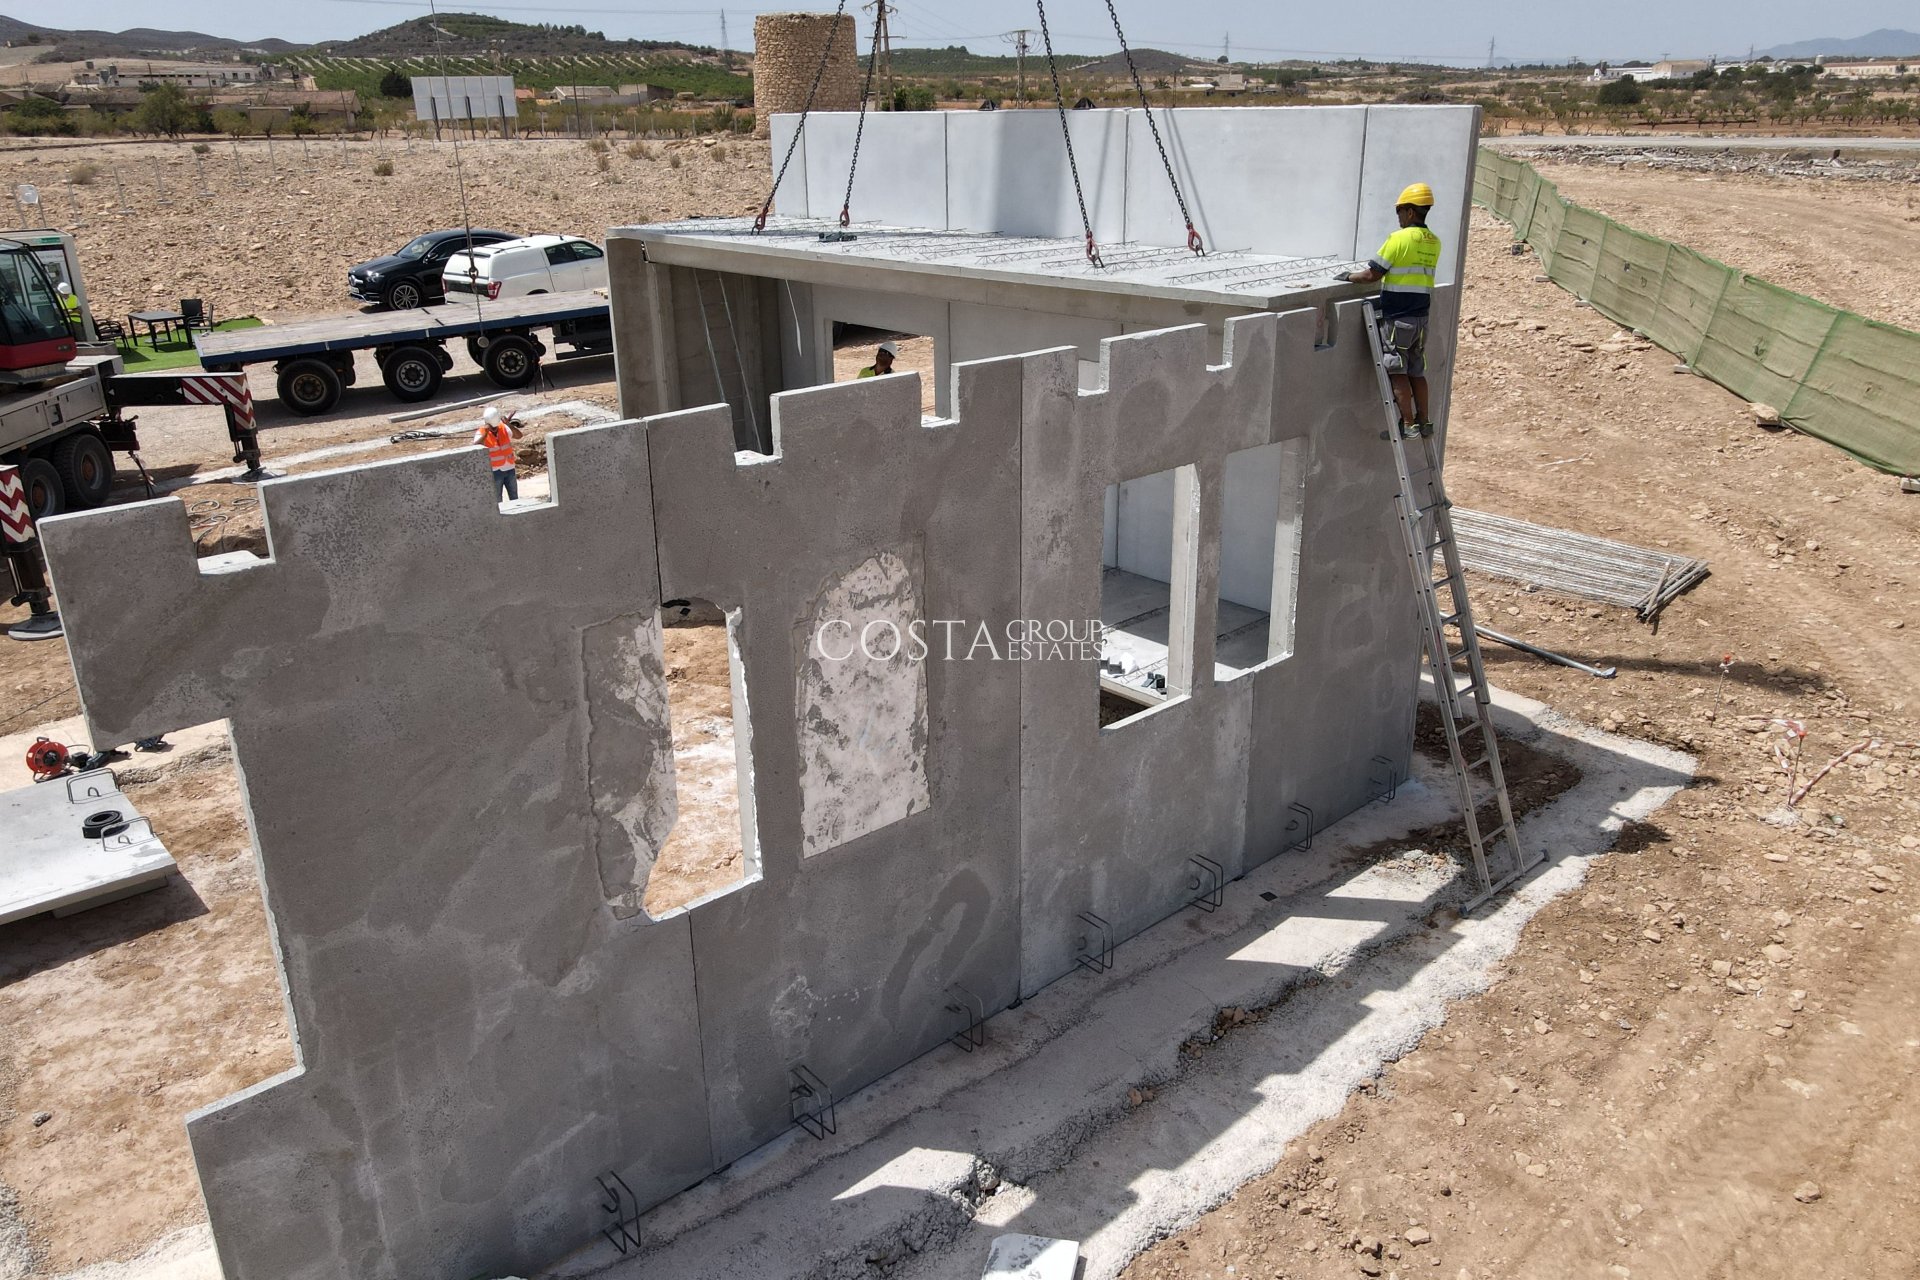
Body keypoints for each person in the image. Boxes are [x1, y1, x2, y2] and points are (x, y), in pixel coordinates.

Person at [1339, 182, 1442, 438]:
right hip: (1421, 318)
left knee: (1397, 369)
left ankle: (1408, 425)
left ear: (1409, 211)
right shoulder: (1433, 241)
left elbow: (1372, 274)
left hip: (1399, 319)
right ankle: (1425, 421)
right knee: (1417, 371)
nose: (1398, 217)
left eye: (1399, 211)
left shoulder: (1399, 238)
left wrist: (1347, 277)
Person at [474, 404, 525, 501]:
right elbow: (476, 446)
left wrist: (509, 424)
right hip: (495, 471)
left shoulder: (503, 428)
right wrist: (485, 433)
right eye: (492, 427)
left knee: (514, 497)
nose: (495, 429)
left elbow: (519, 436)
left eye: (496, 427)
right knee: (497, 499)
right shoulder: (481, 432)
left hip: (510, 468)